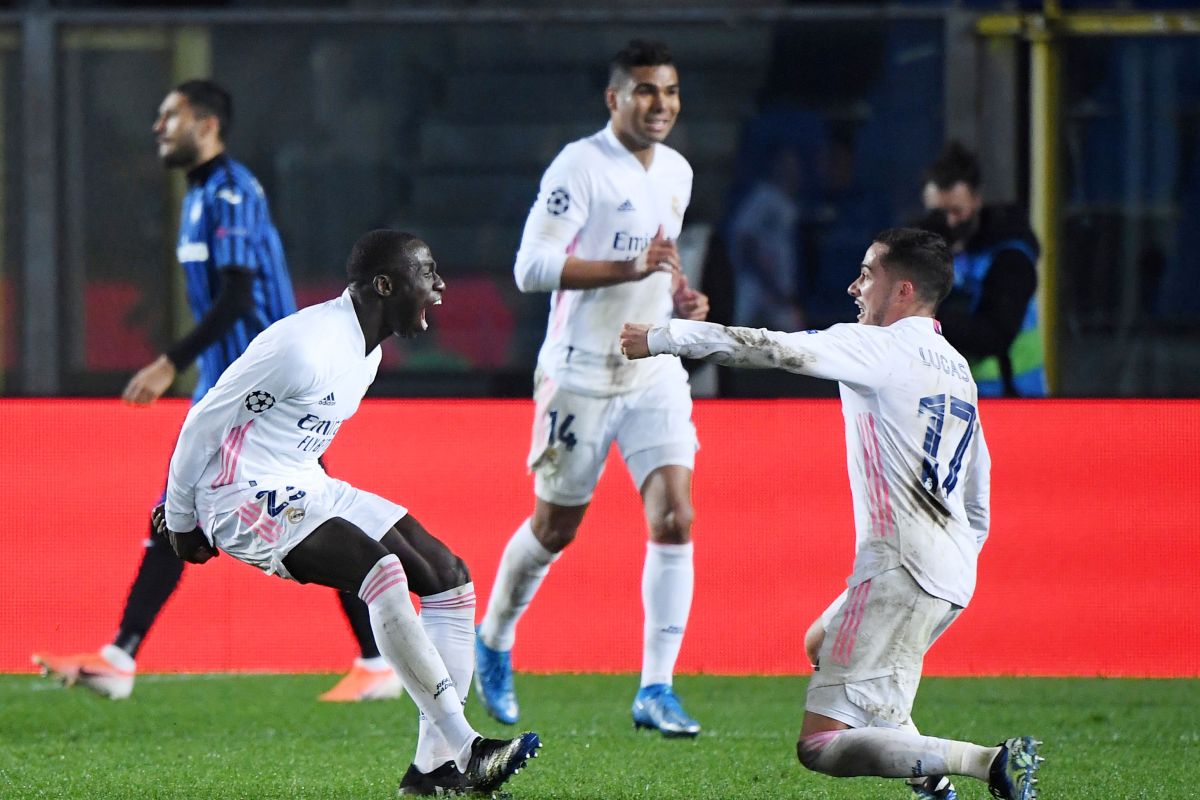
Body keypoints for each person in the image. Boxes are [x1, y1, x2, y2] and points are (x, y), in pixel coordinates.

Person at [619, 228, 1042, 800]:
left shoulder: (878, 346)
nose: (854, 285)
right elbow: (978, 495)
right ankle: (934, 784)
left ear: (903, 288)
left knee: (819, 746)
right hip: (950, 569)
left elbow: (770, 346)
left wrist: (665, 336)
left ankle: (989, 762)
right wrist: (954, 559)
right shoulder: (955, 367)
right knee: (824, 644)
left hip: (900, 567)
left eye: (867, 273)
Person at [32, 79, 398, 703]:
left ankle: (382, 655)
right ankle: (373, 657)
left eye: (168, 115)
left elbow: (235, 295)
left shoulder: (231, 191)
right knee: (198, 506)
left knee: (218, 506)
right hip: (235, 390)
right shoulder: (201, 196)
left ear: (205, 124)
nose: (157, 127)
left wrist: (167, 361)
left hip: (265, 392)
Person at [157, 229, 541, 796]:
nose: (439, 286)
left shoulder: (366, 352)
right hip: (236, 494)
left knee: (448, 577)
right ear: (384, 285)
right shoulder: (304, 346)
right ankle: (468, 748)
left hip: (304, 483)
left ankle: (432, 770)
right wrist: (183, 519)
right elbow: (204, 421)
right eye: (427, 272)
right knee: (381, 572)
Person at [473, 39, 710, 737]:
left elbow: (658, 262)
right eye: (645, 91)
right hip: (579, 371)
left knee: (676, 515)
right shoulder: (579, 166)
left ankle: (656, 688)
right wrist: (628, 265)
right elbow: (530, 267)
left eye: (668, 90)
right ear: (615, 100)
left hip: (654, 366)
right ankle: (494, 637)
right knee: (555, 527)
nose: (660, 103)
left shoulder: (677, 171)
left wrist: (680, 296)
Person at [919, 141, 1047, 397]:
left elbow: (994, 334)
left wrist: (919, 317)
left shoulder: (1010, 257)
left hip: (1011, 399)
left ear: (976, 202)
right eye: (938, 214)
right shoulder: (921, 253)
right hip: (947, 402)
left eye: (957, 211)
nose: (949, 222)